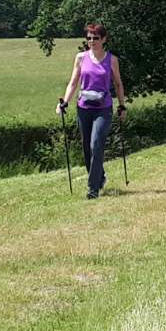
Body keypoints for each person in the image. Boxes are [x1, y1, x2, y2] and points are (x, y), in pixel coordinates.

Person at [59, 23, 128, 200]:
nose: (91, 41)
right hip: (84, 107)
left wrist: (121, 105)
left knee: (96, 145)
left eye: (95, 38)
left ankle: (92, 189)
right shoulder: (81, 58)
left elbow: (118, 84)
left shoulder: (111, 60)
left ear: (103, 39)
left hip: (103, 108)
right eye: (88, 38)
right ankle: (100, 177)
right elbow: (73, 82)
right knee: (87, 150)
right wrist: (64, 102)